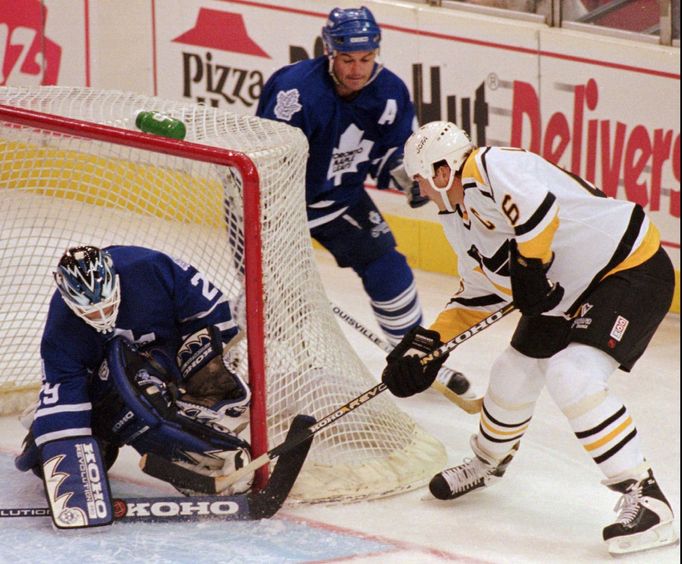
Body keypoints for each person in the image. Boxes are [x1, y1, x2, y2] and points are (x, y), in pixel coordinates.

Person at [380, 121, 677, 555]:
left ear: (443, 171)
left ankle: (648, 497)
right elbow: (476, 295)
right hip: (564, 292)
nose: (420, 189)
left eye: (423, 178)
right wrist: (428, 344)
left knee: (572, 374)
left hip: (631, 270)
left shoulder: (491, 165)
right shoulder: (458, 218)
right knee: (511, 370)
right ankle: (487, 462)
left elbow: (539, 209)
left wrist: (530, 267)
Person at [256, 6, 470, 397]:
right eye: (348, 59)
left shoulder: (389, 91)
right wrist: (272, 220)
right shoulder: (295, 91)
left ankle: (413, 357)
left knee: (390, 271)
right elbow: (265, 157)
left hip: (340, 201)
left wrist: (406, 176)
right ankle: (239, 363)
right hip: (276, 206)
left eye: (366, 59)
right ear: (329, 52)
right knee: (269, 299)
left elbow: (393, 150)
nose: (358, 69)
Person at [15, 245, 252, 529]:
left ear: (116, 280)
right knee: (48, 459)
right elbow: (64, 389)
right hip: (107, 387)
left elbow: (210, 310)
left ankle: (205, 447)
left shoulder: (150, 267)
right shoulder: (60, 330)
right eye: (91, 312)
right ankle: (184, 450)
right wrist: (65, 452)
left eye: (106, 303)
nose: (102, 315)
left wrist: (202, 364)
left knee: (144, 382)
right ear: (69, 300)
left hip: (167, 358)